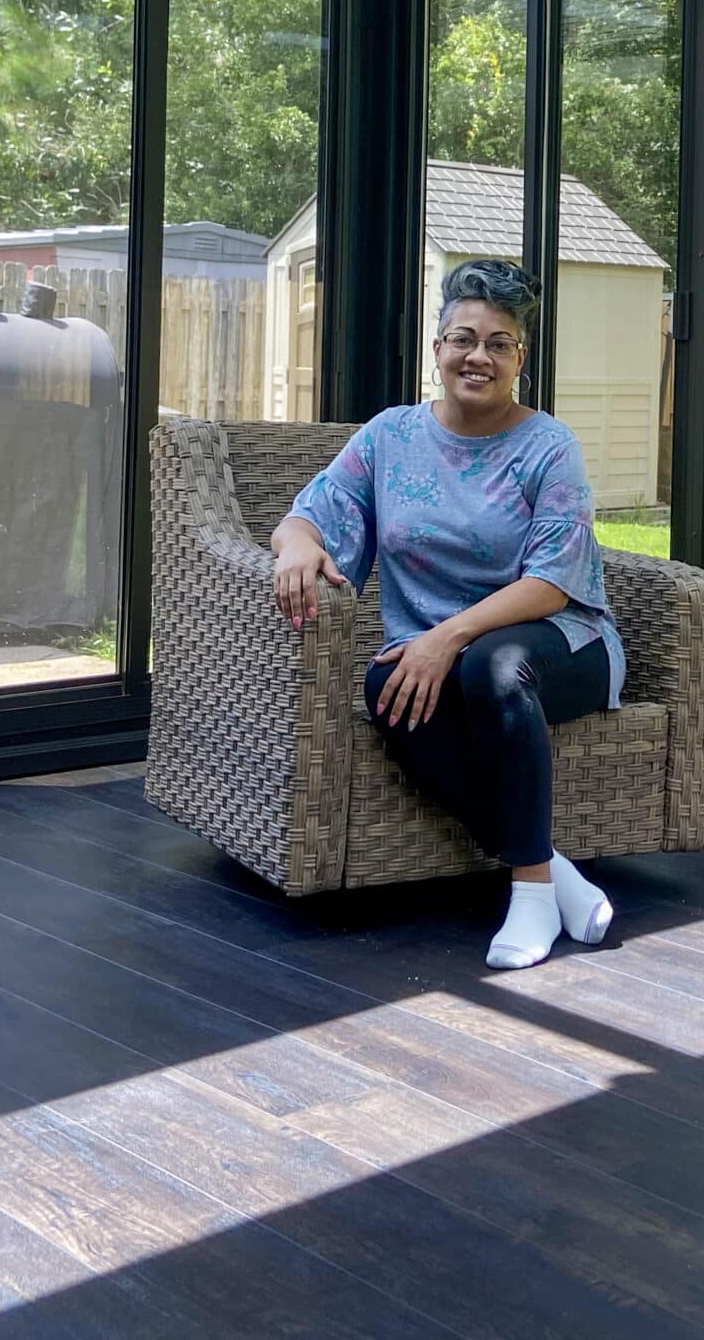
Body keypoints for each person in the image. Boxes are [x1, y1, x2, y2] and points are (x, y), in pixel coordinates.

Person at [271, 258, 624, 970]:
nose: (478, 357)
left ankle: (530, 895)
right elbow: (309, 515)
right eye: (464, 339)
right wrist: (297, 546)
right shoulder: (389, 437)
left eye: (499, 343)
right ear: (437, 348)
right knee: (385, 684)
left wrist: (447, 636)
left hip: (562, 645)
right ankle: (554, 872)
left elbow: (550, 585)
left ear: (519, 358)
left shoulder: (548, 446)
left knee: (494, 667)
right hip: (447, 657)